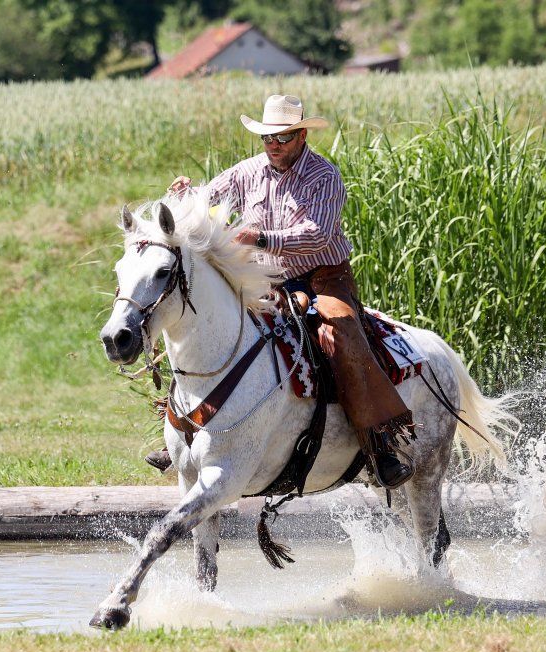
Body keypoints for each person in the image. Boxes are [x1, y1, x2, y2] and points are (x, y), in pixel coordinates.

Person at [150, 94, 414, 489]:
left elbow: (318, 234)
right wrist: (186, 194)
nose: (273, 145)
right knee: (207, 324)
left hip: (323, 277)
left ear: (302, 134)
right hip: (265, 280)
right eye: (267, 138)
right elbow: (206, 202)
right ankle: (183, 434)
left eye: (283, 138)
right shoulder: (247, 171)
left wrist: (261, 237)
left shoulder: (325, 176)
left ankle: (380, 443)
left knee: (340, 331)